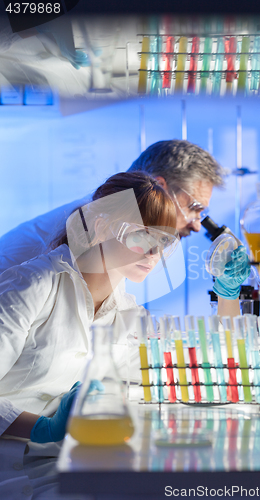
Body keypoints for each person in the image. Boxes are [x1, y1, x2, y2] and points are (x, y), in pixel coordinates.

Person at [0, 171, 179, 497]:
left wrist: (227, 296)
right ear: (100, 227)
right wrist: (43, 429)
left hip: (74, 464)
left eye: (164, 242)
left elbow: (154, 389)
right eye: (142, 236)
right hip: (10, 466)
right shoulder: (32, 285)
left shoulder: (130, 315)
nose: (154, 254)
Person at [0, 140, 224, 274]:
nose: (197, 226)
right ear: (159, 188)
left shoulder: (112, 222)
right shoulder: (93, 229)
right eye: (194, 207)